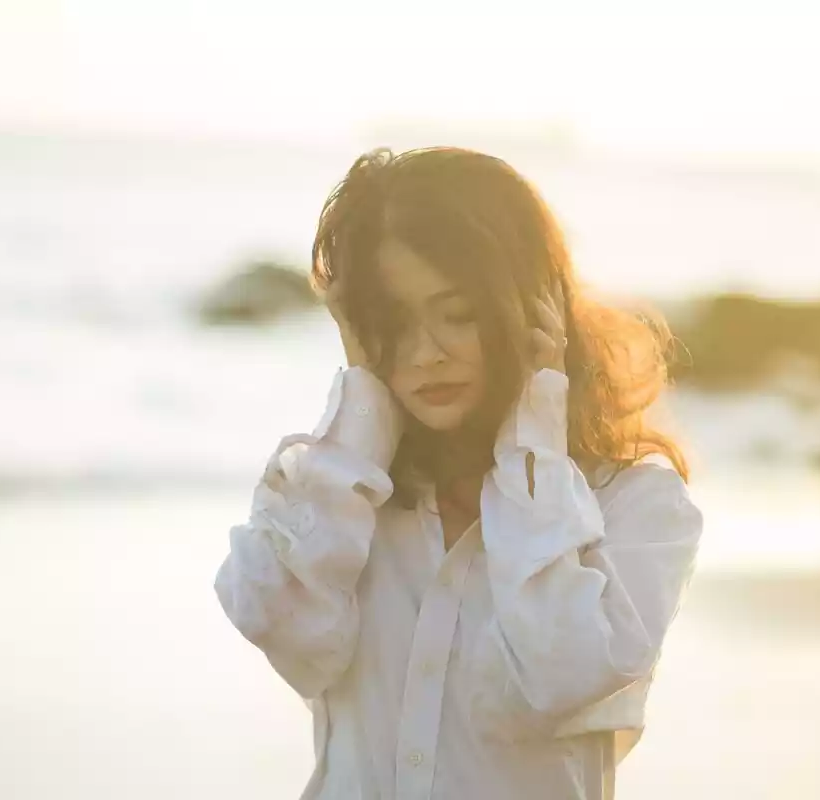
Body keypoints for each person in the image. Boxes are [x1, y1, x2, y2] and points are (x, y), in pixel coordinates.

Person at [214, 147, 703, 800]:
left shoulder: (636, 506)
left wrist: (536, 428)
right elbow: (280, 622)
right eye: (393, 322)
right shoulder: (346, 495)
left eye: (458, 315)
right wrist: (361, 404)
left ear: (533, 306)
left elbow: (563, 672)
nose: (426, 354)